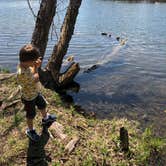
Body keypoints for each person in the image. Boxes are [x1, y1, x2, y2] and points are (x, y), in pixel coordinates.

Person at [17, 44, 56, 142]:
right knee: (31, 115)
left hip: (35, 93)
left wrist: (34, 65)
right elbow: (36, 77)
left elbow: (33, 73)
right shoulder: (22, 73)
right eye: (34, 61)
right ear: (29, 61)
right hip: (28, 97)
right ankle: (30, 130)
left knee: (42, 105)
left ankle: (45, 118)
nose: (35, 62)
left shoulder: (26, 65)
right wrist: (36, 67)